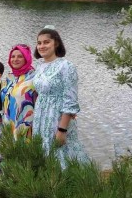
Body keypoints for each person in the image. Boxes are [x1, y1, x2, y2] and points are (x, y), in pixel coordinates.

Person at [32, 26, 89, 169]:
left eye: (46, 42)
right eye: (39, 43)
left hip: (57, 119)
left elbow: (70, 100)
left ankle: (72, 187)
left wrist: (62, 129)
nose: (42, 46)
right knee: (44, 155)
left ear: (56, 43)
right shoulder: (40, 67)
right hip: (41, 118)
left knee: (62, 154)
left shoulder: (66, 66)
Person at [0, 44, 37, 140]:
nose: (15, 59)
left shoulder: (34, 77)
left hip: (25, 128)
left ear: (26, 58)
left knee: (24, 153)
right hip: (8, 126)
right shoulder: (9, 77)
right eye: (13, 56)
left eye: (20, 56)